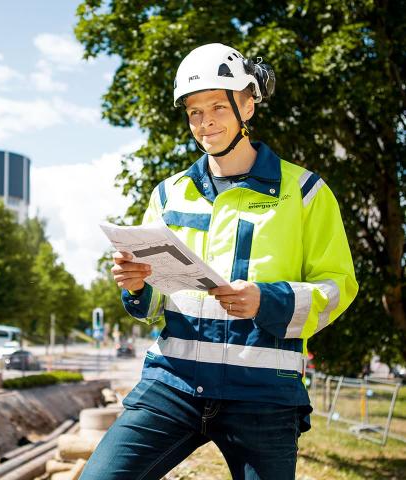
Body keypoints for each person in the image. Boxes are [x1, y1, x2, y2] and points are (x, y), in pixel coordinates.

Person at [80, 43, 358, 480]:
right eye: (194, 111)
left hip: (264, 394)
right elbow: (157, 306)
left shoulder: (305, 193)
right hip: (173, 384)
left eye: (217, 106)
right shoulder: (168, 195)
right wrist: (137, 286)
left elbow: (336, 287)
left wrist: (267, 300)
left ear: (247, 104)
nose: (205, 121)